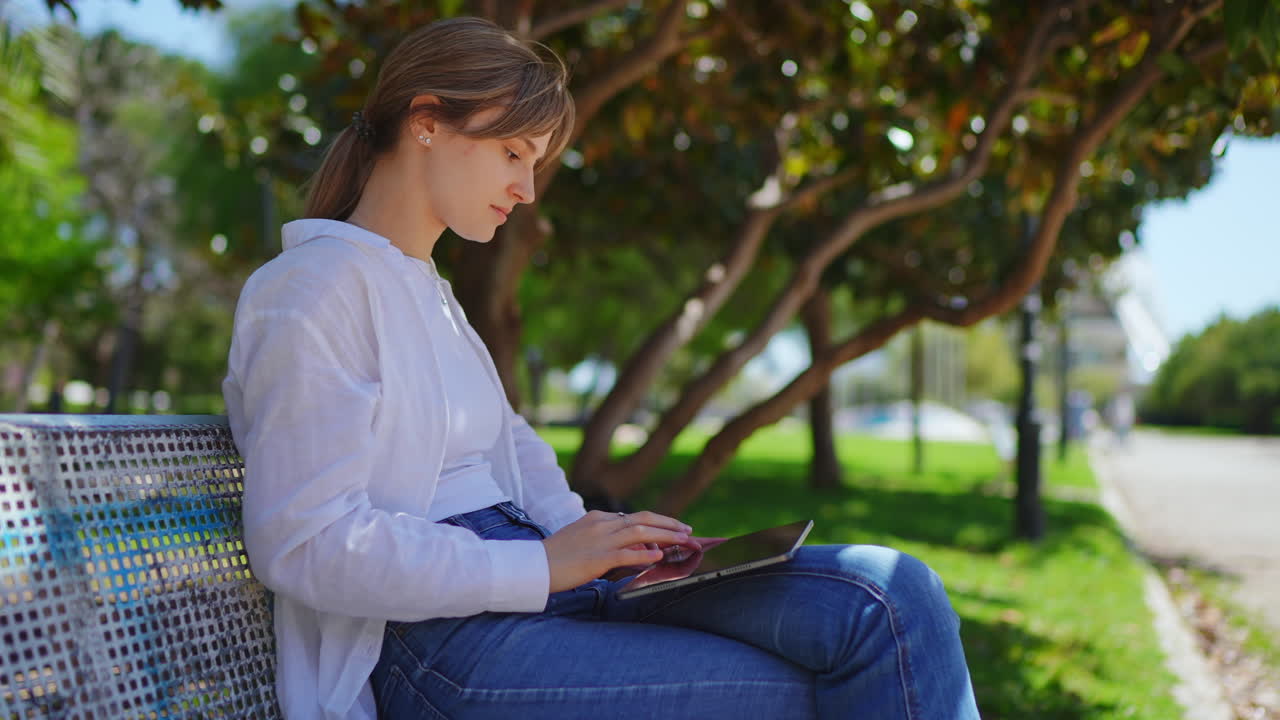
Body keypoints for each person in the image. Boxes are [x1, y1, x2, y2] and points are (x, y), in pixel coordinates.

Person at [222, 16, 981, 720]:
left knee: (889, 596)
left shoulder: (428, 294)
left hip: (538, 581)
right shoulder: (311, 289)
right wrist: (543, 566)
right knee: (810, 695)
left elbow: (514, 453)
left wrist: (605, 544)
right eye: (512, 153)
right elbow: (305, 542)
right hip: (438, 645)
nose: (525, 189)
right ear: (426, 121)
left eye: (536, 162)